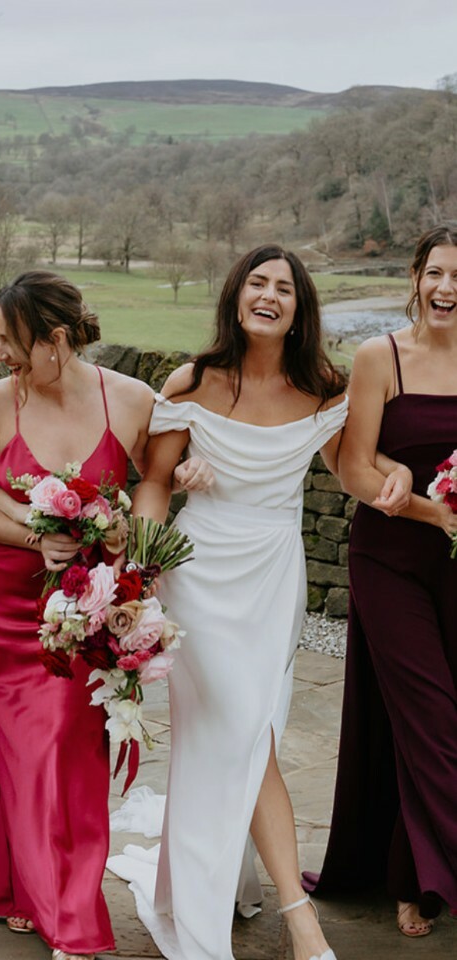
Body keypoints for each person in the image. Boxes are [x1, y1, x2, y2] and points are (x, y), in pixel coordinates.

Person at [107, 244, 410, 960]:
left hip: (273, 574)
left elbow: (354, 472)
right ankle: (300, 919)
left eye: (284, 287)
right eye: (257, 282)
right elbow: (152, 481)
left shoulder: (327, 389)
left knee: (247, 732)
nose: (269, 294)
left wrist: (396, 473)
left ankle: (228, 881)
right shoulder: (195, 381)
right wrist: (146, 569)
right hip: (198, 569)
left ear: (301, 308)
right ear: (237, 297)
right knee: (243, 728)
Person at [0, 270, 210, 960]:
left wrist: (169, 498)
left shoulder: (128, 399)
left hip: (91, 605)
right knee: (28, 747)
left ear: (57, 340)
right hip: (3, 609)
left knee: (65, 748)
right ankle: (70, 920)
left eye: (11, 341)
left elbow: (160, 477)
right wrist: (38, 537)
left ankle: (30, 893)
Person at [303, 223, 457, 937]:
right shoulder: (380, 357)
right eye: (434, 273)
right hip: (390, 557)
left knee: (415, 721)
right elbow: (355, 468)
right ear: (416, 278)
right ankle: (431, 877)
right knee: (431, 718)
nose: (445, 289)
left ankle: (410, 872)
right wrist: (429, 508)